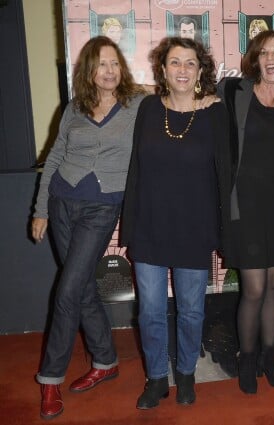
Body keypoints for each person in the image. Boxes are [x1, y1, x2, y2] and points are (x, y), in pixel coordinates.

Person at [30, 36, 145, 420]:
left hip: (102, 207)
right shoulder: (74, 108)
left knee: (66, 291)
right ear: (89, 71)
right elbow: (56, 155)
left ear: (122, 68)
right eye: (101, 65)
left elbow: (178, 95)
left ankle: (49, 379)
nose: (109, 71)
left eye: (114, 63)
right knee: (79, 290)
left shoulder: (137, 105)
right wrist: (41, 208)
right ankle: (106, 360)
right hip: (62, 201)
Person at [120, 37, 228, 409]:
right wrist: (129, 226)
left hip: (194, 228)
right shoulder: (149, 108)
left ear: (200, 71)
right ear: (163, 70)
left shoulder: (215, 113)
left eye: (190, 63)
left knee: (191, 309)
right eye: (174, 62)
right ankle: (155, 379)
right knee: (149, 309)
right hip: (150, 225)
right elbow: (136, 169)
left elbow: (224, 173)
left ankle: (185, 374)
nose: (182, 69)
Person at [217, 30, 274, 394]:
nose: (271, 58)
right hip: (245, 203)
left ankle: (270, 357)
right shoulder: (233, 92)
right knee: (252, 288)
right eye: (264, 52)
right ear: (255, 59)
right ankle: (246, 358)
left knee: (273, 284)